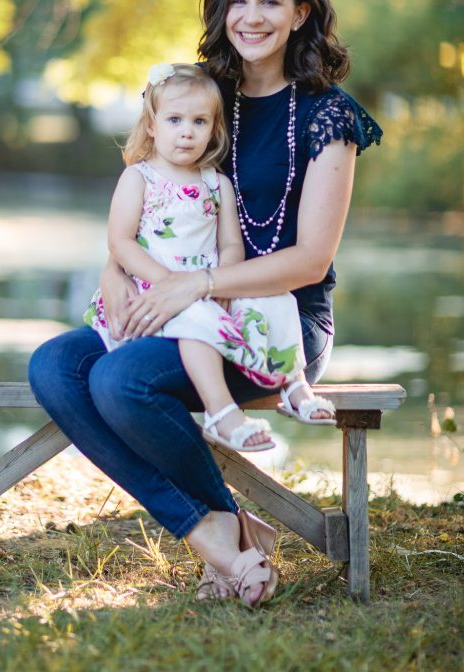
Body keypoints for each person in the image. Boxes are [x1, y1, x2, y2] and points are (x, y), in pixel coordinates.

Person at [29, 0, 382, 607]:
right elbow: (137, 203)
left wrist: (196, 285)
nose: (251, 16)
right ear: (221, 11)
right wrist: (115, 274)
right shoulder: (196, 95)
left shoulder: (326, 114)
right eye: (236, 0)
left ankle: (216, 530)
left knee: (122, 382)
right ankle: (219, 528)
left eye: (270, 1)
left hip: (277, 320)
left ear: (300, 13)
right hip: (172, 304)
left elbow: (309, 258)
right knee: (54, 366)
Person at [84, 61, 336, 455]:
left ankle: (294, 385)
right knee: (195, 323)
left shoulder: (216, 183)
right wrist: (168, 283)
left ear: (214, 129)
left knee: (279, 301)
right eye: (174, 119)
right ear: (151, 124)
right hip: (156, 288)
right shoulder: (138, 178)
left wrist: (223, 279)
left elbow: (231, 245)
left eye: (200, 121)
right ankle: (221, 412)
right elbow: (120, 242)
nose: (187, 131)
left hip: (204, 284)